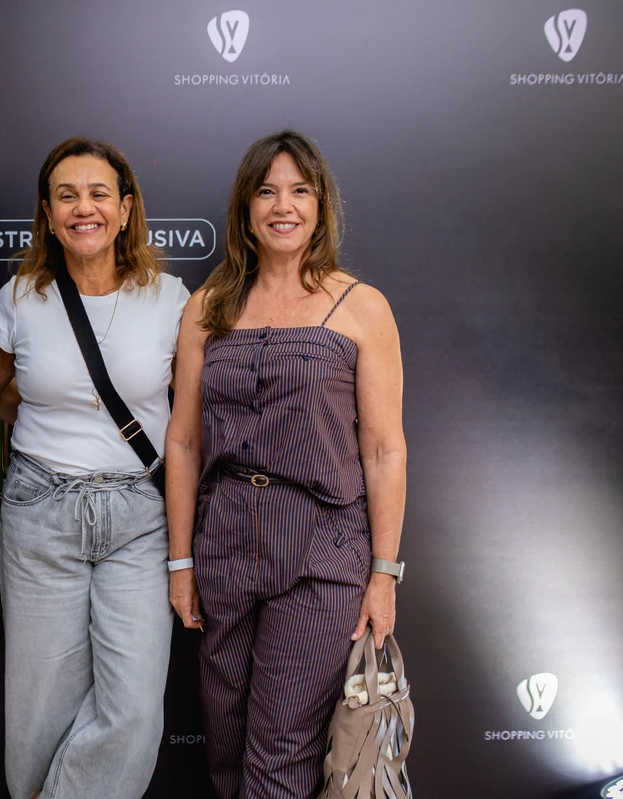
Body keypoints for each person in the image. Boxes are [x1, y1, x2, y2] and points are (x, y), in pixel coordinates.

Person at [164, 131, 407, 799]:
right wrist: (181, 562)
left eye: (300, 190)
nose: (284, 205)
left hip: (320, 551)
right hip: (223, 548)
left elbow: (386, 450)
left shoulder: (360, 306)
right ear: (245, 207)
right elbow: (184, 441)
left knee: (279, 754)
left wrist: (384, 574)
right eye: (267, 190)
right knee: (226, 745)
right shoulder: (208, 307)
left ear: (321, 204)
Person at [0, 137, 191, 799]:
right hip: (41, 512)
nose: (85, 207)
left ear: (126, 208)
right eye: (66, 195)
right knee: (38, 717)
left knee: (132, 711)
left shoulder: (170, 298)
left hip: (140, 515)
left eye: (99, 193)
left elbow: (190, 422)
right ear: (47, 214)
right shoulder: (20, 297)